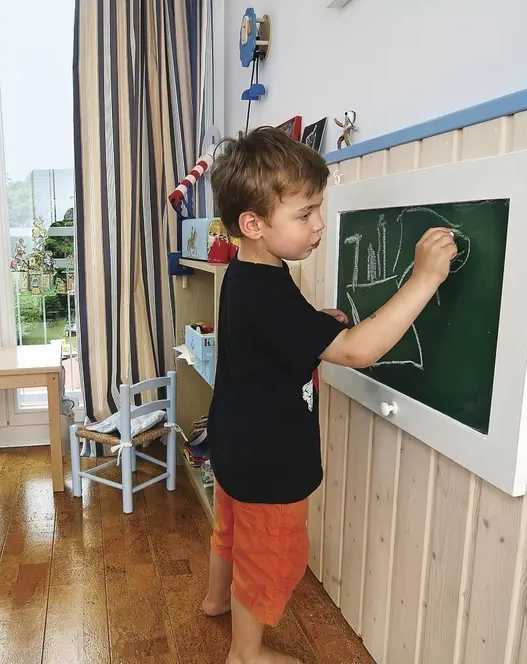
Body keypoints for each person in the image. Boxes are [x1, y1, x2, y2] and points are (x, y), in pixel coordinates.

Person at [202, 127, 456, 664]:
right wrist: (424, 278)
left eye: (319, 208)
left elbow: (268, 332)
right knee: (270, 559)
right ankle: (246, 655)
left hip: (234, 445)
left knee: (232, 533)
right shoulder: (271, 295)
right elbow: (358, 350)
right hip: (270, 465)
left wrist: (311, 324)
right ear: (254, 224)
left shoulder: (248, 273)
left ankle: (215, 600)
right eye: (305, 214)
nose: (319, 224)